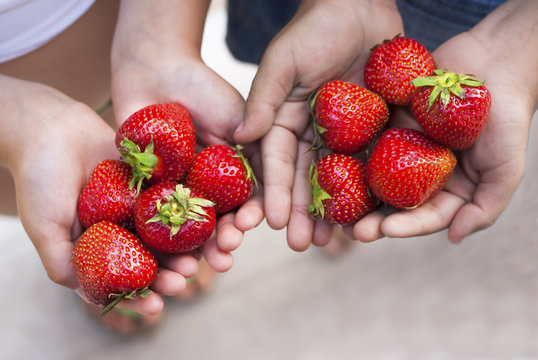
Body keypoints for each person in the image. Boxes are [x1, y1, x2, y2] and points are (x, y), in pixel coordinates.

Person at [0, 0, 263, 333]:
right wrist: (21, 133)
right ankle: (117, 268)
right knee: (25, 186)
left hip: (118, 24)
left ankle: (136, 259)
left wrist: (161, 39)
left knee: (120, 141)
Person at [232, 0, 538, 250]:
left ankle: (343, 215)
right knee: (289, 60)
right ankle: (343, 212)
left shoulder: (423, 97)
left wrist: (523, 43)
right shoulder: (408, 90)